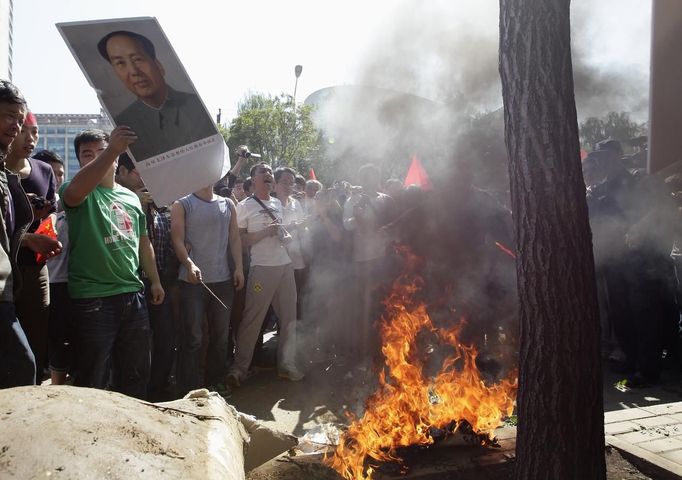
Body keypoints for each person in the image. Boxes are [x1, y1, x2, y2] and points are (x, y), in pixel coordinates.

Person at [60, 127, 164, 399]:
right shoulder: (76, 190)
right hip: (94, 300)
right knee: (92, 377)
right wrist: (111, 150)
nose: (96, 158)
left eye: (102, 151)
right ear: (79, 160)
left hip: (133, 296)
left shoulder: (131, 197)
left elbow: (143, 242)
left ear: (118, 160)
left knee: (135, 373)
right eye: (87, 154)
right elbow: (74, 194)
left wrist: (154, 280)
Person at [0, 80, 61, 388]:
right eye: (10, 117)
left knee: (29, 356)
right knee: (20, 364)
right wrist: (26, 237)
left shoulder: (28, 172)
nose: (18, 127)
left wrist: (34, 222)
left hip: (22, 275)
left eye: (21, 120)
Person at [227, 163, 304, 386]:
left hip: (285, 267)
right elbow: (240, 241)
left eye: (270, 172)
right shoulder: (244, 206)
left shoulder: (278, 205)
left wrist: (284, 230)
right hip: (261, 270)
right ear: (253, 179)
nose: (268, 175)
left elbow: (283, 232)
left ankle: (286, 365)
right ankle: (239, 369)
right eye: (263, 172)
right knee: (253, 318)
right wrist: (266, 232)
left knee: (289, 318)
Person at [97, 30, 216, 161]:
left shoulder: (196, 106)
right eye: (120, 63)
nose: (133, 71)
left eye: (137, 59)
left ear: (158, 65)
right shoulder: (125, 127)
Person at [171, 181, 244, 394]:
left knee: (221, 338)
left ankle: (215, 382)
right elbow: (177, 239)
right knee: (193, 337)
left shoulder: (228, 204)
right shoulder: (182, 204)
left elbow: (235, 238)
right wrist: (189, 264)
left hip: (223, 281)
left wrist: (238, 268)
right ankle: (188, 387)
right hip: (192, 283)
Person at [116, 153, 178, 400]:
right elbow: (126, 240)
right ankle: (132, 395)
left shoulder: (157, 203)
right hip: (129, 282)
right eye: (139, 173)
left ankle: (158, 389)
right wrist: (136, 204)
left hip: (158, 280)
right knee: (134, 343)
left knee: (165, 337)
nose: (146, 179)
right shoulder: (116, 202)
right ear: (121, 172)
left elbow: (162, 243)